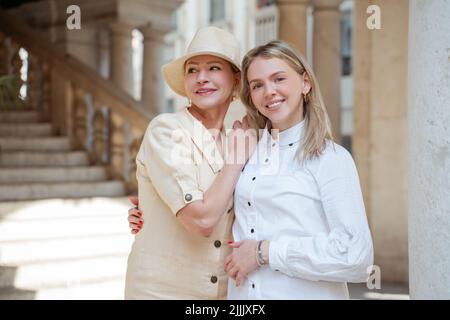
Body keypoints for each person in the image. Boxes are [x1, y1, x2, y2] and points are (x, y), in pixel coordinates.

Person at [129, 40, 374, 300]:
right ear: (250, 94)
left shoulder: (331, 158)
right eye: (257, 85)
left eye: (279, 79)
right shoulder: (245, 150)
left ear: (305, 83)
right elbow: (206, 201)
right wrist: (151, 208)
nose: (269, 91)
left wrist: (264, 252)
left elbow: (356, 256)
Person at [124, 26, 257, 299]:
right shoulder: (166, 129)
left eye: (213, 68)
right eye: (192, 70)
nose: (201, 78)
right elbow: (202, 220)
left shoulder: (238, 139)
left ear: (235, 80)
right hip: (160, 291)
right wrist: (235, 160)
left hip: (223, 292)